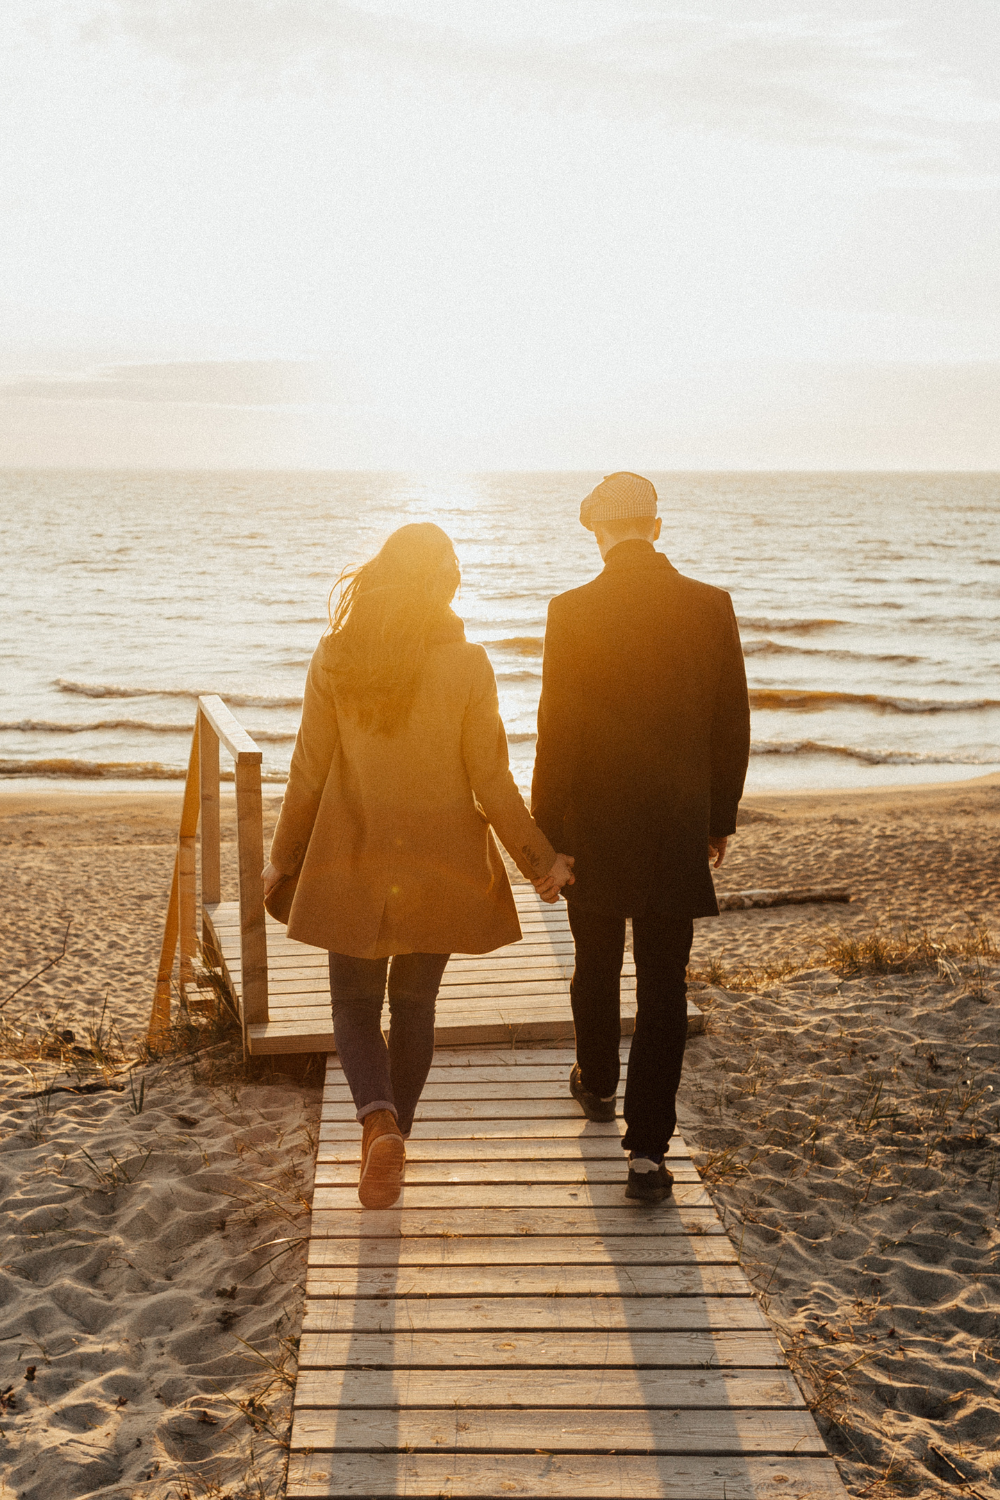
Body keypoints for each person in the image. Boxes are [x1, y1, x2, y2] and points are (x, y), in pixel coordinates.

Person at [262, 522, 574, 1209]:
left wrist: (280, 860)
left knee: (351, 1003)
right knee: (414, 1005)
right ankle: (394, 1132)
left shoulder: (337, 657)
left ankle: (378, 1124)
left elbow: (307, 772)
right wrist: (540, 861)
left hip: (353, 856)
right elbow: (492, 783)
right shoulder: (470, 665)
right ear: (445, 586)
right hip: (443, 863)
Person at [531, 472, 750, 1202]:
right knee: (663, 987)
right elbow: (731, 724)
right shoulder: (709, 606)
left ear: (598, 533)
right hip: (674, 825)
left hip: (592, 827)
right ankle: (648, 1153)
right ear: (656, 528)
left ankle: (596, 1081)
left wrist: (548, 837)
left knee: (595, 964)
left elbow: (555, 733)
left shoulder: (571, 611)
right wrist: (718, 818)